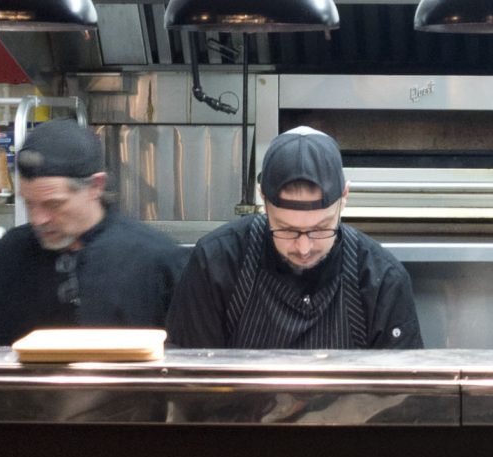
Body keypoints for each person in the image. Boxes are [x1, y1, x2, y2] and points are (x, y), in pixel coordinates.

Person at [166, 126, 423, 349]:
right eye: (286, 229)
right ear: (263, 199)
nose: (303, 247)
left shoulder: (382, 279)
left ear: (344, 198)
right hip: (233, 408)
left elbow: (403, 400)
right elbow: (189, 389)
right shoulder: (216, 263)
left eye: (320, 228)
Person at [0, 119, 186, 346]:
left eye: (54, 205)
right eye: (30, 203)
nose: (38, 219)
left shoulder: (155, 260)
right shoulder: (8, 255)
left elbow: (187, 358)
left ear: (96, 186)